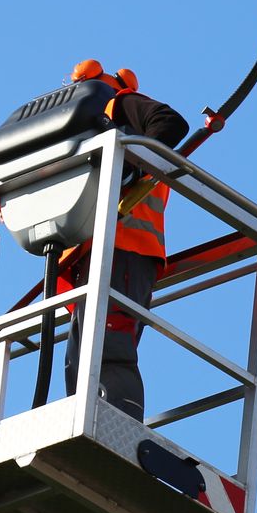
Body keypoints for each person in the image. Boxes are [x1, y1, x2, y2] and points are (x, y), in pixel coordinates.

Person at [62, 60, 188, 420]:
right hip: (96, 252)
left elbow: (171, 123)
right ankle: (87, 419)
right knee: (82, 355)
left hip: (126, 247)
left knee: (108, 343)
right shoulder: (79, 131)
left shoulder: (118, 104)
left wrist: (133, 163)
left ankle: (117, 424)